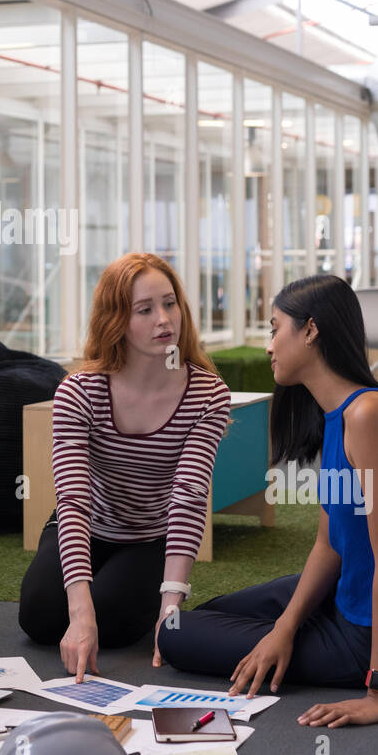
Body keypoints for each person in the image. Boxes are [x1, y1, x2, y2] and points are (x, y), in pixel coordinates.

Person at [158, 273, 378, 727]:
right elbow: (329, 545)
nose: (269, 345)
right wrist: (283, 630)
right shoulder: (338, 415)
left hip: (376, 640)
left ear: (309, 330)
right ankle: (290, 631)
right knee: (204, 616)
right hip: (343, 598)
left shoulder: (370, 416)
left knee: (176, 636)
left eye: (274, 328)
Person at [19, 252, 231, 679]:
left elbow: (188, 501)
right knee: (41, 619)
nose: (164, 320)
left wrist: (170, 607)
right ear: (116, 319)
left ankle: (123, 600)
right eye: (145, 309)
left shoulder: (209, 395)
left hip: (148, 535)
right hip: (85, 522)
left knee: (112, 623)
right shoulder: (79, 392)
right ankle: (84, 602)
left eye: (170, 303)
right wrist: (79, 613)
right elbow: (74, 501)